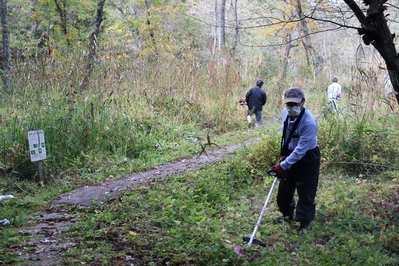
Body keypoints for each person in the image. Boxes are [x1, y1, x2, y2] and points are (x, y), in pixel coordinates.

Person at [272, 87, 320, 232]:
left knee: (306, 192)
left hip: (308, 157)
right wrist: (283, 154)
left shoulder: (309, 122)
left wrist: (284, 165)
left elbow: (301, 150)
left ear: (303, 102)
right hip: (289, 154)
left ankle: (304, 223)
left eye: (295, 104)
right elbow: (286, 135)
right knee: (284, 192)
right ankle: (287, 217)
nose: (292, 107)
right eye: (289, 104)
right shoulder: (285, 113)